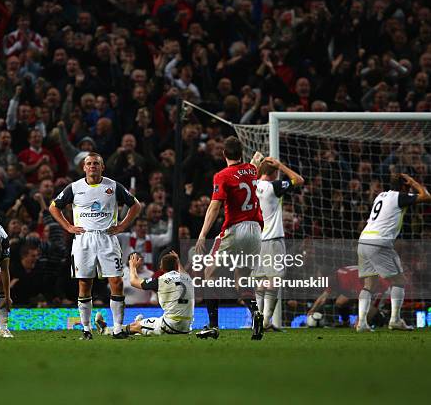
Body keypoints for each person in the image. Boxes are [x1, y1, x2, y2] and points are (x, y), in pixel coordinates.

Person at [49, 153, 141, 340]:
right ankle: (86, 329)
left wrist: (122, 226)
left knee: (116, 282)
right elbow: (53, 207)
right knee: (85, 283)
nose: (92, 166)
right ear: (84, 168)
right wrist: (68, 226)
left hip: (107, 238)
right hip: (84, 239)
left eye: (96, 164)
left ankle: (117, 329)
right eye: (89, 164)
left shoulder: (113, 186)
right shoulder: (74, 188)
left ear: (102, 167)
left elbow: (136, 205)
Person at [194, 137, 264, 340]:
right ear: (240, 153)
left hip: (235, 229)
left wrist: (202, 234)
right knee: (242, 278)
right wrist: (258, 157)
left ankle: (212, 325)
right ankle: (256, 314)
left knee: (209, 273)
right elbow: (256, 161)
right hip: (255, 230)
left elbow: (214, 206)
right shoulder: (251, 170)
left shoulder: (222, 175)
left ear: (224, 154)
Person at [356, 173, 431, 332]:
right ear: (405, 186)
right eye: (408, 186)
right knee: (399, 281)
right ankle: (395, 320)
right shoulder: (399, 197)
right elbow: (426, 196)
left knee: (369, 284)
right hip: (379, 242)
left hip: (363, 240)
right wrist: (414, 182)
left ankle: (361, 323)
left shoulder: (381, 196)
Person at [253, 157, 304, 330]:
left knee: (261, 280)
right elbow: (299, 180)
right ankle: (266, 321)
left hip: (257, 240)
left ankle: (258, 319)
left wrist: (257, 167)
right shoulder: (273, 187)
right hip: (273, 239)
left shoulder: (253, 185)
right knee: (274, 279)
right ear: (274, 172)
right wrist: (281, 165)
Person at [95, 251, 194, 336]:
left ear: (161, 267)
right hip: (187, 326)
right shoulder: (188, 278)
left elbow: (134, 281)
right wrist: (177, 260)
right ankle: (139, 324)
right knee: (143, 323)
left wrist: (132, 266)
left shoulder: (161, 280)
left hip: (171, 325)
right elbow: (182, 271)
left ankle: (106, 330)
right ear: (177, 265)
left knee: (136, 326)